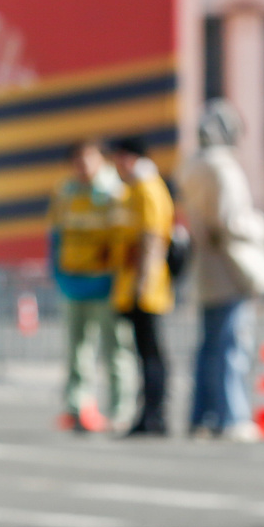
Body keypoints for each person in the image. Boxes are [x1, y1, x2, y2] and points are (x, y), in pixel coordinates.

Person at [182, 100, 264, 438]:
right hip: (230, 268)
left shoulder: (192, 166)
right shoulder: (222, 168)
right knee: (232, 347)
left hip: (207, 267)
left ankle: (202, 415)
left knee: (210, 347)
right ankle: (231, 416)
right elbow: (232, 220)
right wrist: (261, 226)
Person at [48, 140, 128, 432]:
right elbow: (56, 235)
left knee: (115, 350)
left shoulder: (114, 190)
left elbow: (123, 237)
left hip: (106, 283)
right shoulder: (65, 192)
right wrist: (57, 272)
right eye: (78, 160)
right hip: (74, 282)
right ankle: (77, 407)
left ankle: (120, 410)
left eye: (89, 158)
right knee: (77, 351)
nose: (83, 165)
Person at [111, 136, 175, 438]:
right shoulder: (134, 188)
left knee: (151, 354)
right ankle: (147, 413)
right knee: (144, 354)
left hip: (145, 287)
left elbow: (152, 239)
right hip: (135, 284)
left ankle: (154, 414)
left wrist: (142, 285)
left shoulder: (147, 188)